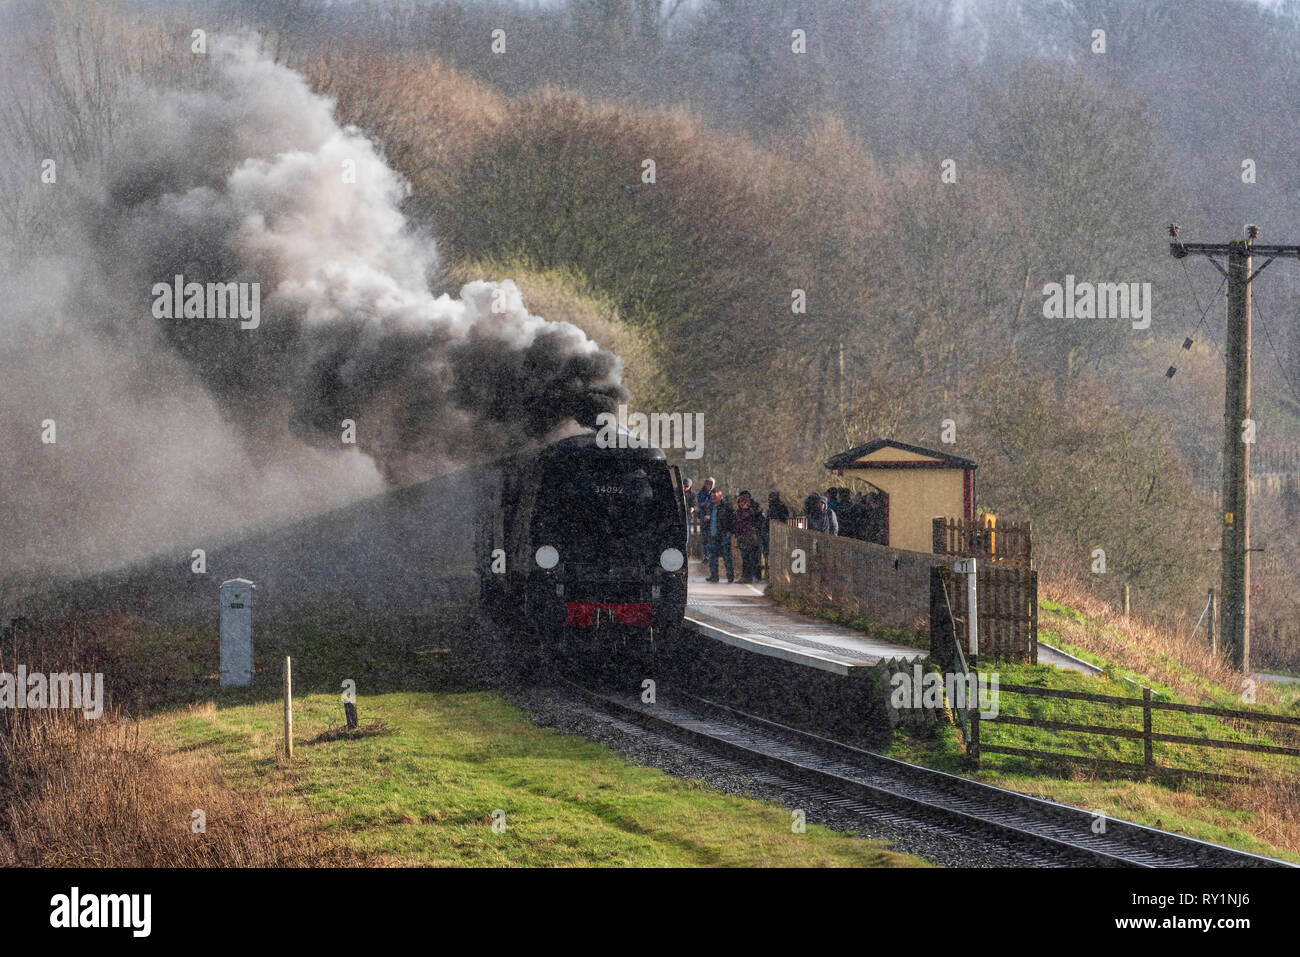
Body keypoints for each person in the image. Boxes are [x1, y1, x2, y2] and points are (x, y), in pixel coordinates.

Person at [705, 488, 736, 583]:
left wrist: (730, 531)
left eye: (715, 496)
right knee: (712, 557)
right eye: (712, 496)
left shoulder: (726, 507)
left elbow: (733, 518)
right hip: (712, 535)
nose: (713, 498)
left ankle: (730, 577)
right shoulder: (710, 507)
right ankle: (714, 576)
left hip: (723, 534)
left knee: (727, 557)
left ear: (720, 496)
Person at [733, 490, 763, 584]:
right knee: (745, 558)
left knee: (749, 558)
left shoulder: (749, 512)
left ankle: (748, 576)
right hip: (743, 537)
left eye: (743, 502)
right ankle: (746, 576)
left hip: (748, 537)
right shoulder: (740, 512)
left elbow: (745, 523)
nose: (741, 504)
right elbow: (738, 525)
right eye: (740, 502)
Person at [762, 491, 790, 579]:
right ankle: (772, 573)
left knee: (779, 554)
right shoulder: (772, 508)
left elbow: (784, 518)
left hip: (779, 533)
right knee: (772, 554)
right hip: (771, 534)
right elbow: (768, 520)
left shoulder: (780, 507)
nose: (770, 499)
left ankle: (779, 573)